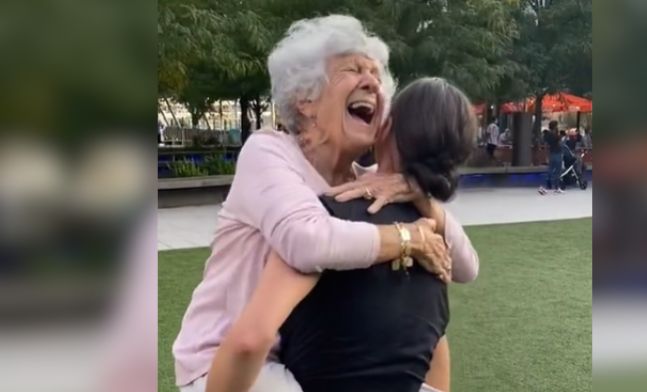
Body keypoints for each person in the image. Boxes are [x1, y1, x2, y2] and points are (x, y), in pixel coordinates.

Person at [173, 15, 478, 392]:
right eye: (352, 69)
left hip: (299, 359)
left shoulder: (364, 184)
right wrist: (408, 238)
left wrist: (424, 202)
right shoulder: (268, 153)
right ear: (306, 100)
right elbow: (307, 241)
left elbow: (465, 267)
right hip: (225, 364)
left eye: (376, 74)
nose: (372, 81)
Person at [538, 120, 564, 195]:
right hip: (557, 153)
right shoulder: (555, 135)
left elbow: (546, 143)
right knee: (558, 171)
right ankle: (556, 187)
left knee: (550, 170)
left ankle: (547, 186)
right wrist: (559, 134)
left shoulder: (547, 135)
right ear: (555, 126)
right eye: (557, 126)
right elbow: (559, 141)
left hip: (551, 153)